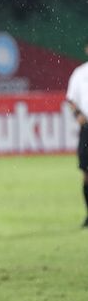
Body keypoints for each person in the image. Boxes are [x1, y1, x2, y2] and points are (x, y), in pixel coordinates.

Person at [66, 38, 88, 228]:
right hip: (87, 128)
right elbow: (71, 99)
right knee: (86, 172)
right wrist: (77, 114)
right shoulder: (80, 73)